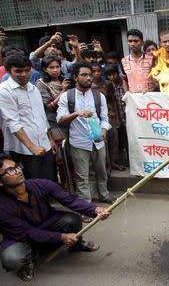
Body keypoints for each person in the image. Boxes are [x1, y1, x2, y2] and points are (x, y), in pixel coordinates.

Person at [0, 154, 111, 281]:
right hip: (21, 237)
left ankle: (76, 245)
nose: (18, 171)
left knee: (72, 220)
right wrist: (61, 237)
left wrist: (94, 209)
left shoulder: (40, 184)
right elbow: (27, 232)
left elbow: (69, 200)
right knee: (12, 259)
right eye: (10, 170)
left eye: (17, 166)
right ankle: (28, 261)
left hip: (47, 223)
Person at [57, 62, 114, 221]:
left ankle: (104, 194)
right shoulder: (67, 96)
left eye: (90, 75)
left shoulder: (98, 96)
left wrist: (103, 131)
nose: (89, 78)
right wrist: (77, 113)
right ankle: (85, 208)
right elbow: (60, 119)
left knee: (101, 170)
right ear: (75, 77)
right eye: (84, 75)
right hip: (78, 142)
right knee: (83, 176)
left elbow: (104, 118)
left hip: (98, 141)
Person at [0, 55, 57, 182]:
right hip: (23, 149)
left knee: (49, 183)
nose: (23, 74)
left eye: (26, 70)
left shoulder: (33, 88)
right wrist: (32, 147)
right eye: (18, 71)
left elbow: (42, 116)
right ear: (8, 71)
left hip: (44, 144)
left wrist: (50, 139)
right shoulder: (4, 92)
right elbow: (13, 123)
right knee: (32, 186)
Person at [35, 57, 70, 135]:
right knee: (60, 144)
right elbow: (50, 107)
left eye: (57, 67)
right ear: (45, 69)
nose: (55, 70)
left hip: (69, 117)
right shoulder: (41, 83)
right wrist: (63, 91)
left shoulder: (64, 81)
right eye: (51, 67)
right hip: (53, 120)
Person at [104, 65, 128, 167]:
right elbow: (113, 103)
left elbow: (128, 95)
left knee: (129, 138)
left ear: (117, 73)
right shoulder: (110, 86)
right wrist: (117, 118)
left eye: (114, 74)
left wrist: (123, 80)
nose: (112, 77)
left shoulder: (124, 83)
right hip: (119, 116)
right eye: (109, 75)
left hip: (128, 114)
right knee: (122, 139)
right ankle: (124, 160)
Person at [121, 29, 155, 94]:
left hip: (149, 99)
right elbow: (124, 79)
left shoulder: (151, 59)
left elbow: (157, 80)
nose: (133, 44)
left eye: (136, 41)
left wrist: (150, 90)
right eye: (130, 41)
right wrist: (127, 94)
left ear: (142, 42)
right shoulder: (124, 61)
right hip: (133, 100)